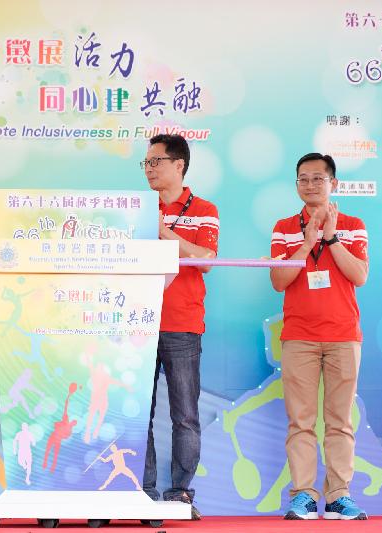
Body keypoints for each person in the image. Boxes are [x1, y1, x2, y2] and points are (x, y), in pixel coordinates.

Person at [269, 153, 369, 520]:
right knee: (301, 421)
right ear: (296, 184)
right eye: (303, 179)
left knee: (340, 420)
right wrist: (308, 241)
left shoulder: (354, 224)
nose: (310, 185)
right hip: (299, 336)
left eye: (317, 179)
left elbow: (359, 275)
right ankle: (304, 495)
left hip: (344, 335)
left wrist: (332, 238)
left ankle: (339, 495)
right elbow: (279, 280)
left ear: (333, 184)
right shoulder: (283, 227)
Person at [141, 134, 219, 520]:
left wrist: (165, 232)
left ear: (179, 165)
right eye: (147, 163)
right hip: (136, 323)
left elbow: (205, 260)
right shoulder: (137, 208)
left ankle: (180, 493)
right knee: (139, 413)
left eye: (156, 162)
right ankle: (144, 491)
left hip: (183, 324)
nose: (150, 169)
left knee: (185, 414)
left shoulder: (204, 209)